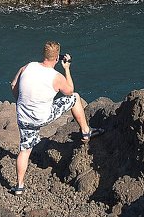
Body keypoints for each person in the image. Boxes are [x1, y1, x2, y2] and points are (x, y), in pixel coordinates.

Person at [8, 40, 101, 195]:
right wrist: (67, 69)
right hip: (42, 117)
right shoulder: (56, 76)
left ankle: (19, 186)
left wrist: (19, 101)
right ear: (57, 57)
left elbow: (13, 85)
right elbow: (70, 91)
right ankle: (86, 131)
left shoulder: (27, 67)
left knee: (24, 150)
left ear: (43, 54)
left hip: (24, 117)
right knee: (75, 98)